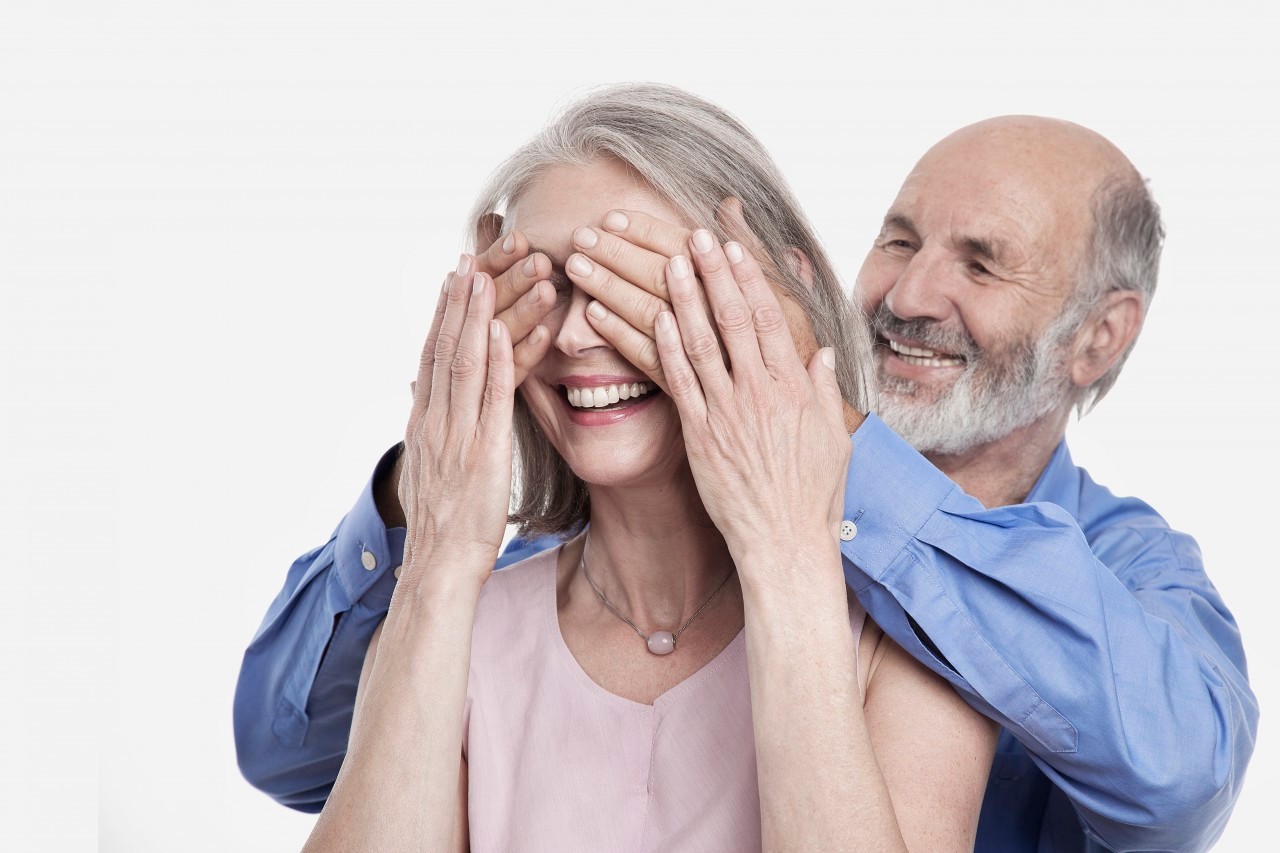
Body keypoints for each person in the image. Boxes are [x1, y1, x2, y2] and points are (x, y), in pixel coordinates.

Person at [235, 94, 1258, 850]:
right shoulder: (496, 601)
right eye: (895, 239)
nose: (907, 291)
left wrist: (807, 464)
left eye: (980, 263)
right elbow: (283, 752)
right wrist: (432, 523)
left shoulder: (967, 619)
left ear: (1099, 341)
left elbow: (1175, 781)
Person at [299, 85, 998, 851]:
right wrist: (438, 557)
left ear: (774, 298)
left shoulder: (909, 637)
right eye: (548, 289)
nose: (572, 334)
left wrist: (784, 550)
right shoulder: (454, 631)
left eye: (632, 288)